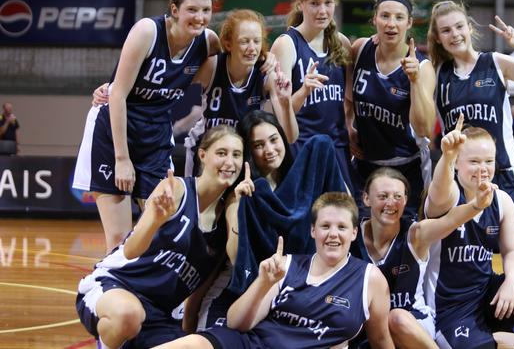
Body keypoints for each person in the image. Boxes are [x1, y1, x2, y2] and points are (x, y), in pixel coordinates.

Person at [74, 0, 221, 253]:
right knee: (118, 239)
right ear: (174, 10)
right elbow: (117, 94)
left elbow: (241, 63)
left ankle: (146, 293)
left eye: (206, 10)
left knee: (161, 229)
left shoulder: (209, 41)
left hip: (154, 133)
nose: (199, 17)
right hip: (114, 129)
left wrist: (267, 63)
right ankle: (103, 293)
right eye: (192, 9)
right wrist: (122, 159)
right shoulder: (147, 31)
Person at [75, 125, 245, 349]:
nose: (230, 162)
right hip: (117, 287)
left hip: (161, 316)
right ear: (203, 155)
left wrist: (235, 204)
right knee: (128, 315)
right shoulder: (176, 190)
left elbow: (202, 290)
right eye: (221, 153)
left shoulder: (224, 226)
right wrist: (155, 219)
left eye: (237, 155)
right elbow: (130, 251)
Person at [154, 192, 394, 349]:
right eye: (325, 226)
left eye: (342, 227)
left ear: (354, 233)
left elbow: (381, 339)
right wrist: (262, 284)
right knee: (191, 345)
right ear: (313, 231)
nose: (333, 234)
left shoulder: (369, 279)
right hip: (253, 344)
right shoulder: (286, 264)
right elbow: (236, 323)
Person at [427, 1, 514, 270]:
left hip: (500, 173)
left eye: (458, 26)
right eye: (446, 30)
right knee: (458, 261)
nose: (454, 34)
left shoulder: (495, 63)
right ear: (438, 38)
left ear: (469, 28)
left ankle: (513, 304)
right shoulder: (437, 75)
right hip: (460, 180)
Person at [185, 110, 347, 331]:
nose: (269, 150)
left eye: (273, 140)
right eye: (258, 145)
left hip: (291, 291)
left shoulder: (303, 179)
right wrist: (240, 206)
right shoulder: (242, 192)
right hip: (243, 290)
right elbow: (235, 257)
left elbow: (345, 206)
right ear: (249, 153)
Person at [424, 121, 514, 349]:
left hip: (486, 295)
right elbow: (438, 192)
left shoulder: (502, 200)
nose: (483, 168)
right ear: (457, 163)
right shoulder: (448, 195)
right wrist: (446, 156)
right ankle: (504, 341)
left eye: (489, 161)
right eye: (474, 161)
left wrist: (511, 283)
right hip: (449, 309)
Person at [357, 167, 500, 348]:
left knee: (396, 318)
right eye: (383, 196)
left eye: (398, 197)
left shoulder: (416, 234)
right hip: (371, 328)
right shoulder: (352, 236)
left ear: (406, 200)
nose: (390, 203)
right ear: (366, 198)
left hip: (412, 322)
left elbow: (448, 221)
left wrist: (476, 206)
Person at [347, 0, 436, 221]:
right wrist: (348, 127)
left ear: (409, 23)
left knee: (403, 240)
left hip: (406, 166)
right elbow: (346, 98)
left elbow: (425, 127)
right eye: (385, 16)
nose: (391, 24)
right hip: (365, 166)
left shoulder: (422, 67)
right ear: (375, 19)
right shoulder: (360, 49)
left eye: (399, 17)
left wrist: (415, 82)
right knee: (361, 236)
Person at [185, 9, 298, 176]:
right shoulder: (212, 66)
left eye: (256, 41)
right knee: (197, 201)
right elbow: (175, 81)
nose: (252, 48)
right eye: (245, 41)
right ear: (229, 44)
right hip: (205, 151)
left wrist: (286, 102)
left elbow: (290, 137)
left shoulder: (266, 74)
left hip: (241, 156)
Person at [270, 0, 356, 190]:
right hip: (301, 147)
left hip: (337, 147)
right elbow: (281, 115)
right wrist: (303, 91)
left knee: (343, 214)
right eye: (315, 4)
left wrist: (351, 127)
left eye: (328, 3)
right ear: (300, 4)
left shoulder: (341, 43)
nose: (322, 11)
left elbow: (350, 98)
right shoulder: (286, 44)